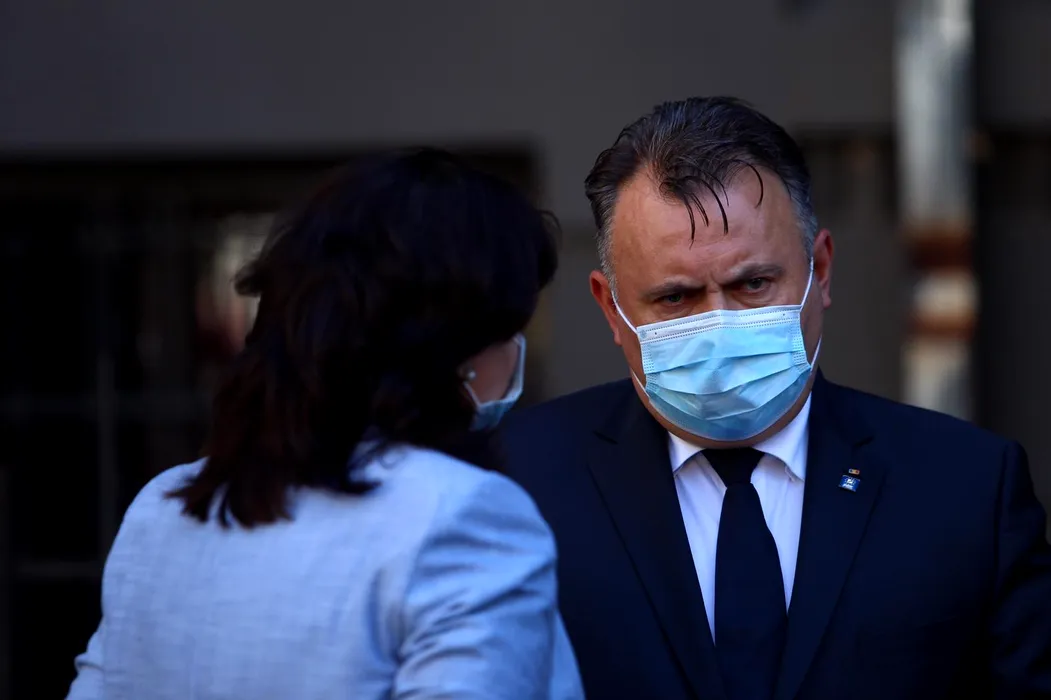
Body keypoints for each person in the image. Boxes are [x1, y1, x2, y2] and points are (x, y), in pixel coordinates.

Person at [500, 96, 1051, 700]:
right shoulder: (517, 484)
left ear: (821, 269)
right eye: (675, 298)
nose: (719, 326)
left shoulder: (966, 488)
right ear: (611, 307)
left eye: (754, 283)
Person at [66, 148, 584, 700]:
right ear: (459, 347)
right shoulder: (462, 513)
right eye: (512, 326)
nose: (517, 351)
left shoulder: (164, 508)